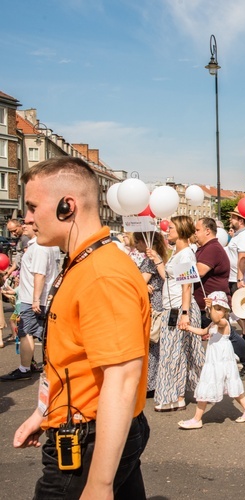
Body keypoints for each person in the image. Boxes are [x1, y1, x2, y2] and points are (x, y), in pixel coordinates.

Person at [13, 157, 151, 498]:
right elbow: (72, 360)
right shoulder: (84, 261)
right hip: (84, 426)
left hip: (87, 438)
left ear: (66, 206)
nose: (27, 219)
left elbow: (121, 377)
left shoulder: (101, 273)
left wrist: (100, 483)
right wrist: (42, 414)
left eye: (32, 206)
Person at [177, 292, 245, 429]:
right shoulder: (213, 325)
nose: (217, 312)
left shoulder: (224, 323)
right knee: (230, 387)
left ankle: (197, 419)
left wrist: (211, 307)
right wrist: (188, 327)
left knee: (209, 385)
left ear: (226, 311)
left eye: (220, 309)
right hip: (215, 361)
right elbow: (202, 332)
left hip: (221, 361)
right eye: (216, 308)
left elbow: (216, 319)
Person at [194, 217, 245, 380]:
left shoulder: (213, 248)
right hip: (206, 300)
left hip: (214, 301)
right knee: (221, 333)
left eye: (197, 230)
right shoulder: (205, 247)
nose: (195, 233)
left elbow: (199, 271)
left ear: (208, 231)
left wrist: (178, 271)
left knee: (226, 333)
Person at [153, 215, 205, 412]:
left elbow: (186, 287)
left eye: (172, 228)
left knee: (173, 353)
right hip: (173, 308)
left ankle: (175, 396)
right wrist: (158, 260)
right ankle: (177, 396)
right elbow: (168, 277)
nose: (168, 230)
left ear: (182, 230)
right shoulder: (178, 252)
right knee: (175, 353)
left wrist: (184, 313)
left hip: (178, 308)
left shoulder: (185, 255)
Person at [0, 219, 60, 382]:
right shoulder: (50, 245)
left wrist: (34, 300)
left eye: (27, 223)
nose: (23, 225)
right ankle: (35, 365)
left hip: (33, 298)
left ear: (37, 226)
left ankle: (25, 368)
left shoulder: (40, 247)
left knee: (26, 333)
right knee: (41, 334)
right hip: (40, 296)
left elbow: (39, 274)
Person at [133, 231, 168, 396]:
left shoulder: (149, 261)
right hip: (159, 301)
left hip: (152, 303)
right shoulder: (159, 256)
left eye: (137, 242)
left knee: (151, 343)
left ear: (144, 242)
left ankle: (150, 384)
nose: (135, 245)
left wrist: (141, 285)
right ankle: (154, 381)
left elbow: (140, 281)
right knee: (155, 344)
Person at [226, 208, 245, 338]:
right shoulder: (238, 234)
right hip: (233, 277)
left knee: (243, 310)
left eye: (233, 217)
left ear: (241, 220)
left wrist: (239, 279)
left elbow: (242, 258)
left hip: (239, 278)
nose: (230, 219)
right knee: (237, 309)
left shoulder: (244, 235)